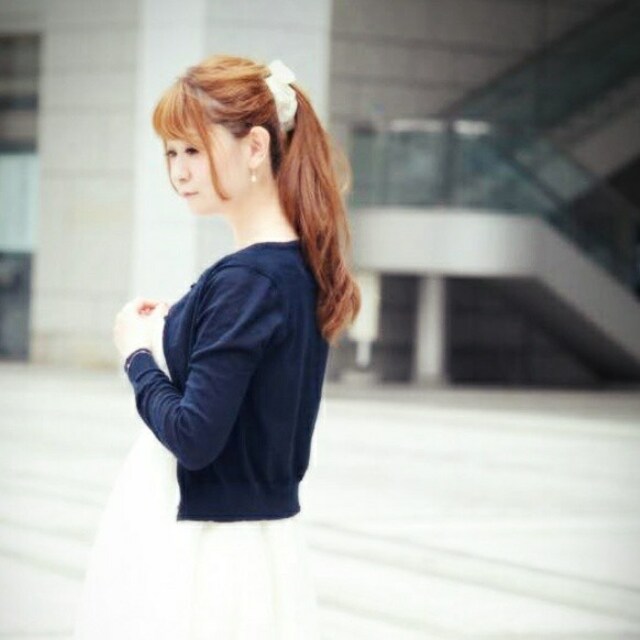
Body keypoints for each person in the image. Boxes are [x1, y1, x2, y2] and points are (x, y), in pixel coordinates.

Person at [72, 54, 361, 639]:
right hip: (254, 546)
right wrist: (179, 324)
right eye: (170, 153)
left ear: (255, 147)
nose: (179, 171)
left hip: (208, 557)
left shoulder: (247, 280)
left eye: (194, 150)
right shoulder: (289, 269)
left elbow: (194, 436)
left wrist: (137, 356)